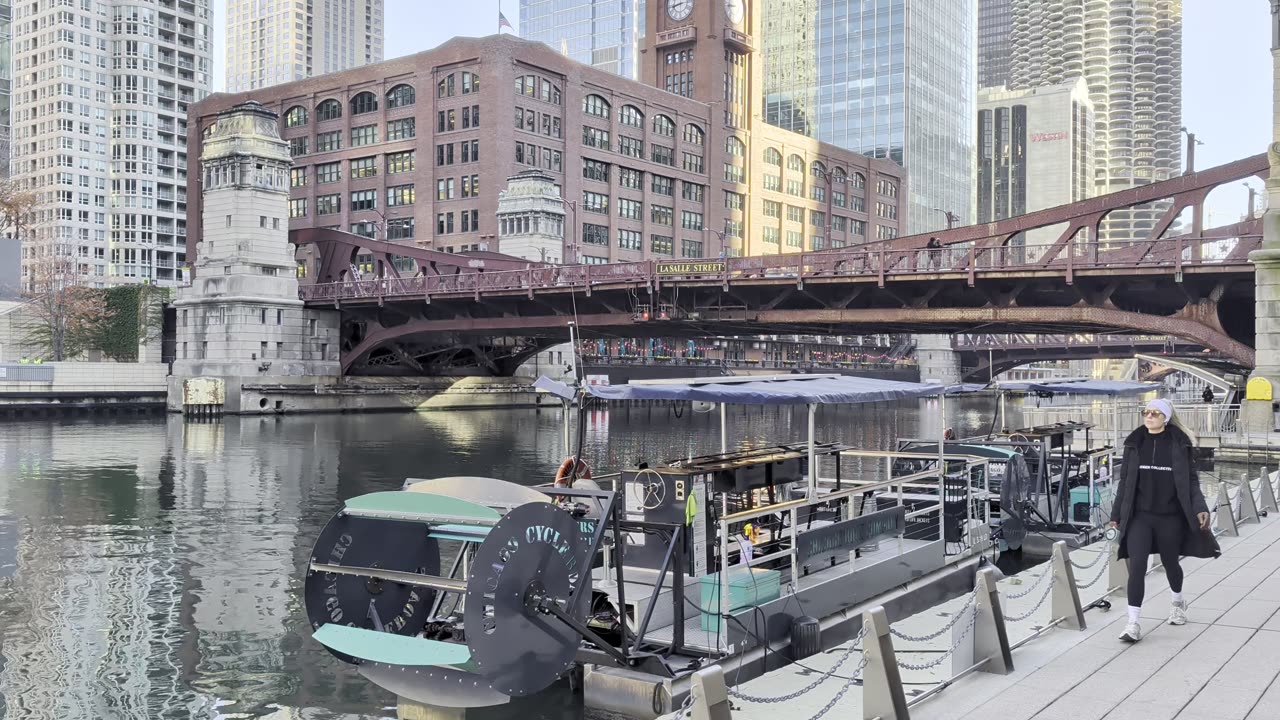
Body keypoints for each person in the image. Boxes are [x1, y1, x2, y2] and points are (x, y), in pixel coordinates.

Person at [1108, 398, 1216, 643]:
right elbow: (1125, 483)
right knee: (1137, 567)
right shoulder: (1135, 444)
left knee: (1170, 563)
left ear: (1165, 418)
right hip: (1140, 517)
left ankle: (1177, 602)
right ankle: (1132, 623)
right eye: (1146, 412)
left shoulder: (1179, 444)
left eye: (1155, 413)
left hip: (1170, 517)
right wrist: (1115, 517)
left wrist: (1200, 507)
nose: (1149, 416)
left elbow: (1191, 480)